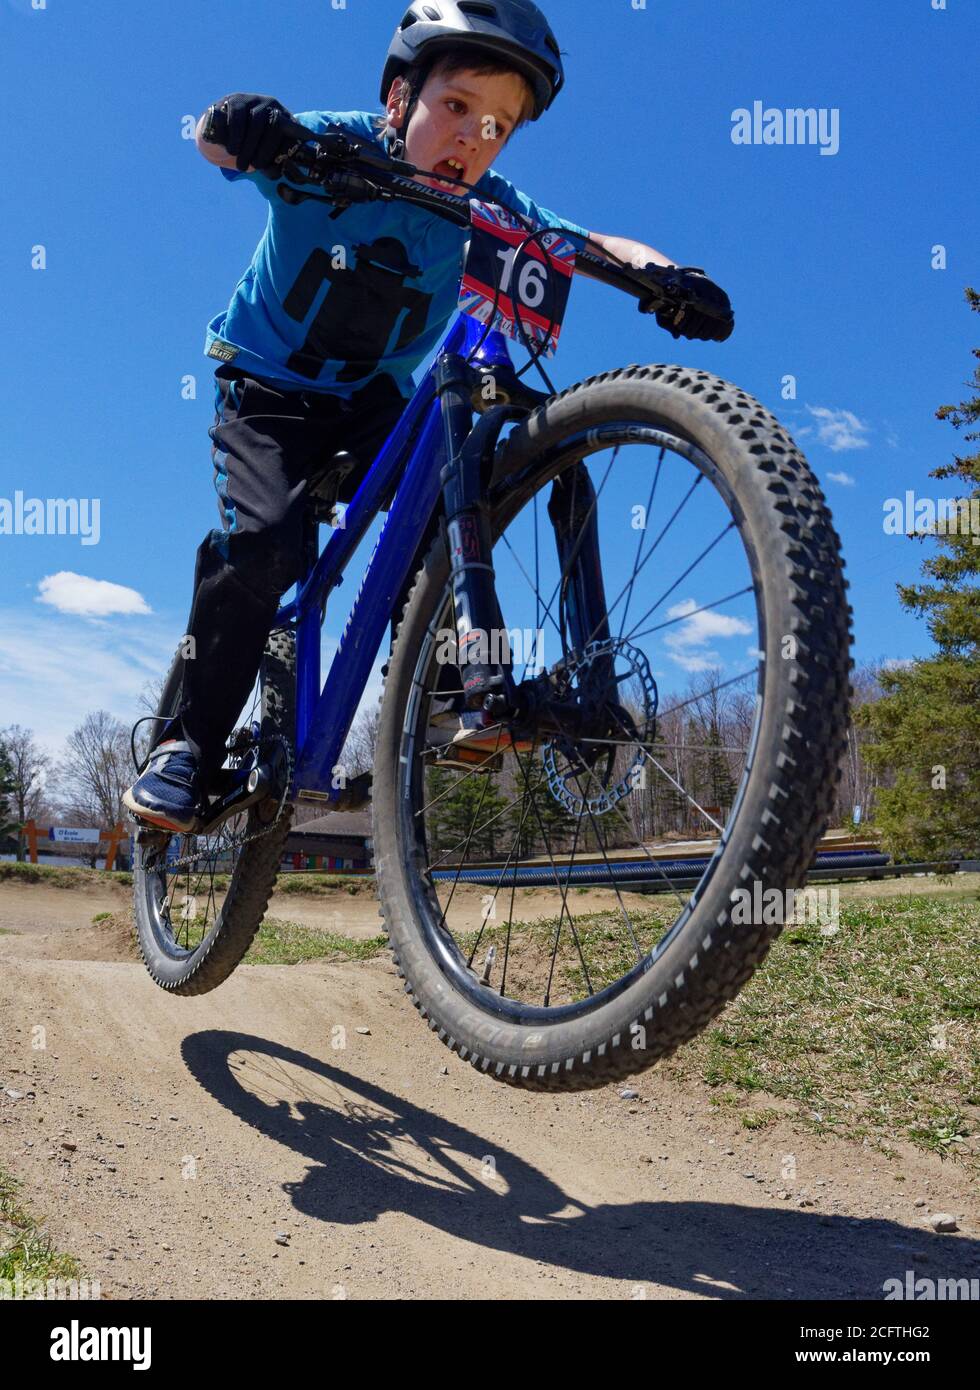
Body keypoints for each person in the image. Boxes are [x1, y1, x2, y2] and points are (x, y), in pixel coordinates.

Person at [123, 0, 733, 833]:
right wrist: (240, 119)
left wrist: (671, 276)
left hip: (372, 400)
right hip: (266, 387)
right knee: (267, 547)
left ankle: (450, 687)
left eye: (499, 127)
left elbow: (595, 246)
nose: (475, 138)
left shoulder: (497, 207)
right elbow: (220, 141)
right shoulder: (330, 145)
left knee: (452, 499)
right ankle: (184, 746)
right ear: (399, 99)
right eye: (456, 108)